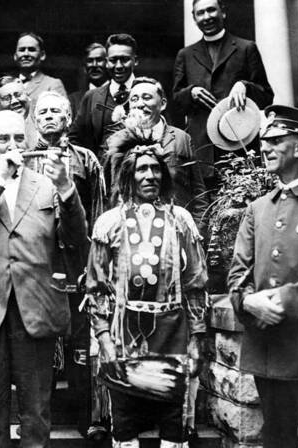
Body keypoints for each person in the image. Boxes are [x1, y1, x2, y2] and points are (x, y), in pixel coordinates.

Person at [0, 110, 87, 448]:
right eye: (3, 139)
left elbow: (76, 239)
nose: (13, 146)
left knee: (36, 411)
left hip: (36, 308)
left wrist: (67, 189)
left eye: (18, 138)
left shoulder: (48, 186)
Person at [227, 105, 298, 448]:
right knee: (276, 438)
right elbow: (238, 272)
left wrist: (278, 300)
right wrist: (248, 301)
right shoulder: (258, 208)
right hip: (266, 349)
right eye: (265, 139)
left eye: (277, 140)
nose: (265, 147)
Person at [85, 143, 208, 448]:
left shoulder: (181, 220)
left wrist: (196, 338)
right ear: (129, 175)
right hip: (123, 335)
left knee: (172, 421)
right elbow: (97, 285)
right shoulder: (109, 223)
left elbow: (195, 282)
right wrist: (104, 339)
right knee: (125, 423)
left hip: (173, 333)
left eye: (155, 169)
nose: (150, 175)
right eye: (142, 169)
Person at [32, 90, 108, 438]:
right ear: (35, 119)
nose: (49, 116)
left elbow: (99, 214)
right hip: (38, 266)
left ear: (67, 119)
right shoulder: (25, 158)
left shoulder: (86, 159)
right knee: (41, 350)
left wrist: (96, 264)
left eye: (56, 112)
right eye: (42, 111)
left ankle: (87, 420)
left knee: (80, 347)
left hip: (77, 263)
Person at [172, 0, 273, 182]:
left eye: (211, 10)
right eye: (200, 13)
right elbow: (176, 101)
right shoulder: (185, 55)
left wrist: (245, 85)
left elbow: (266, 96)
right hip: (202, 151)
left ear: (223, 12)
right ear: (194, 19)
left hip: (239, 146)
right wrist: (191, 92)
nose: (207, 17)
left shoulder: (246, 48)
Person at [106, 77, 208, 231]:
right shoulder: (117, 141)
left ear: (163, 104)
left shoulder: (181, 138)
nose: (140, 103)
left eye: (147, 98)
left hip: (176, 228)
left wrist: (196, 231)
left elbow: (199, 192)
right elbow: (111, 192)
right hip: (132, 231)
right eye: (134, 99)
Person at [69, 33, 138, 161]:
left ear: (136, 60)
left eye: (124, 59)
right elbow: (74, 140)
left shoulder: (148, 92)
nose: (118, 66)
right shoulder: (92, 97)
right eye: (113, 60)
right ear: (106, 62)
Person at [14, 32, 67, 110]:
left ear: (42, 55)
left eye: (32, 50)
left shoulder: (53, 84)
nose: (26, 54)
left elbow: (61, 115)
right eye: (22, 50)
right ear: (15, 56)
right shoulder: (8, 85)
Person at [68, 42, 108, 117]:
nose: (94, 65)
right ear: (84, 67)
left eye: (99, 60)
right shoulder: (73, 100)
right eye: (90, 61)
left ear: (108, 63)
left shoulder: (118, 95)